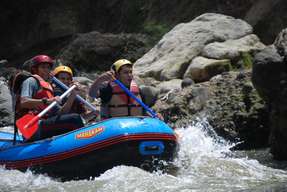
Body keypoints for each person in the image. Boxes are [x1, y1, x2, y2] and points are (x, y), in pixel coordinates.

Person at [16, 55, 84, 141]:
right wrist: (47, 101)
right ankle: (84, 141)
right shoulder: (31, 81)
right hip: (33, 126)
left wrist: (73, 95)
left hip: (46, 123)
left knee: (73, 117)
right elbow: (24, 102)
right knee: (74, 118)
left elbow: (62, 112)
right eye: (43, 67)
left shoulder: (48, 87)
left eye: (48, 67)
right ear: (35, 69)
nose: (46, 70)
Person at [89, 59, 161, 119]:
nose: (129, 75)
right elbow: (92, 94)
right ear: (116, 75)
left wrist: (154, 115)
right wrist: (99, 80)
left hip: (136, 127)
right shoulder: (108, 89)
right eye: (126, 73)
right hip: (116, 128)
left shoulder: (138, 91)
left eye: (130, 72)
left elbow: (144, 110)